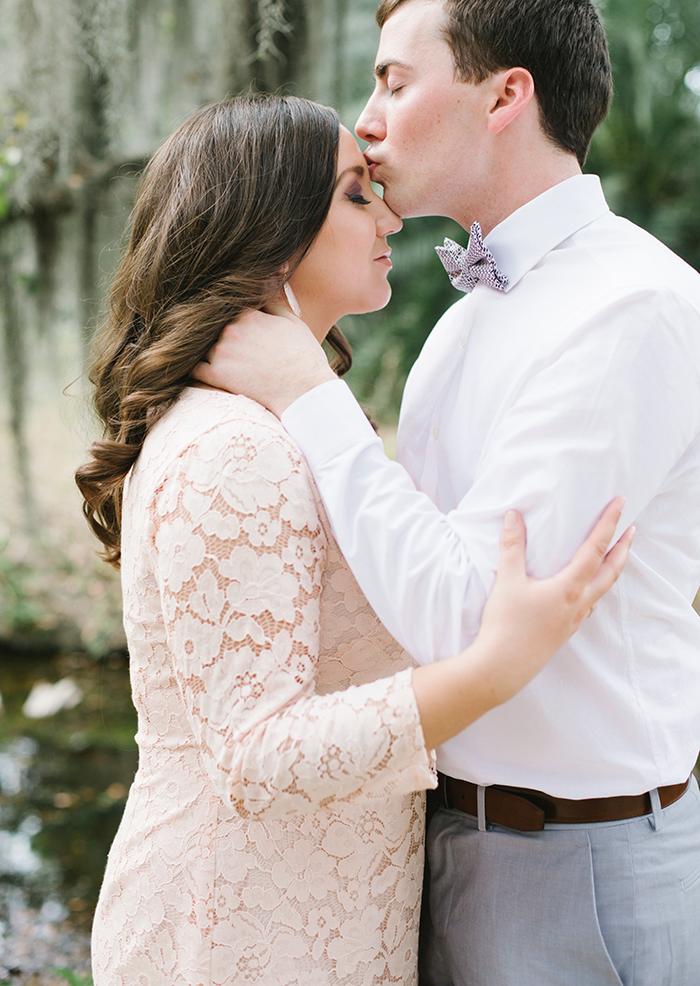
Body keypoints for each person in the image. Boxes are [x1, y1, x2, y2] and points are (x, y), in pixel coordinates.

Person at [195, 0, 700, 986]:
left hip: (578, 863)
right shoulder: (461, 329)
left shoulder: (629, 309)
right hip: (442, 836)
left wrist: (308, 395)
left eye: (393, 80)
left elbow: (462, 618)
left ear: (506, 94)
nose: (366, 119)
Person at [75, 93, 630, 986]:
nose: (392, 214)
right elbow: (256, 753)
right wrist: (493, 668)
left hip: (322, 909)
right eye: (354, 194)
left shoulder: (276, 424)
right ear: (268, 229)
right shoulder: (233, 447)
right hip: (238, 931)